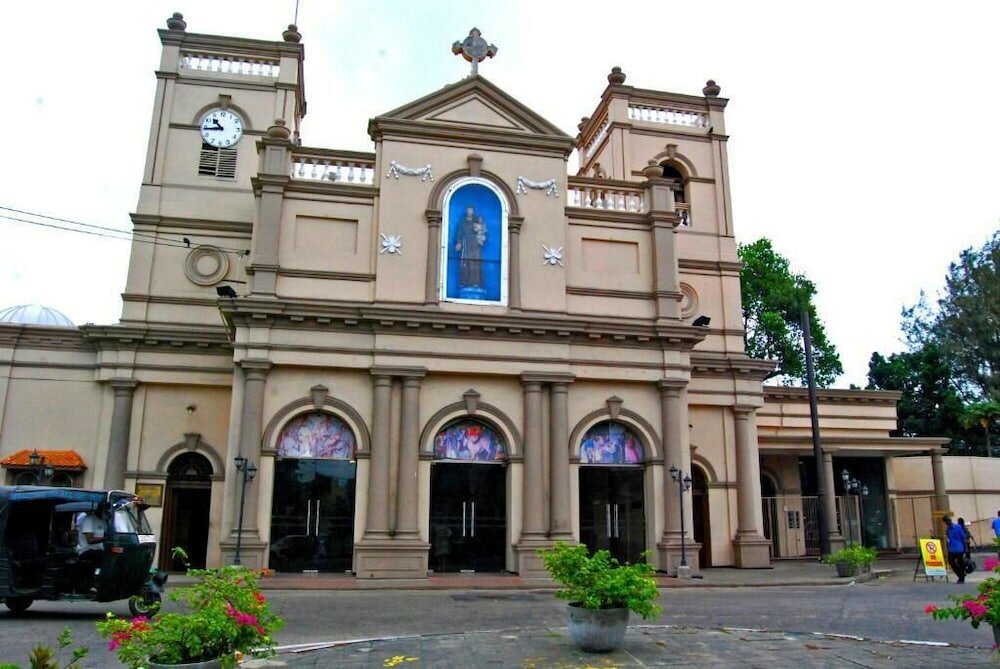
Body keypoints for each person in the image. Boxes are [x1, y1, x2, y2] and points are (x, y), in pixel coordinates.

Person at [943, 516, 967, 584]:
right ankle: (960, 575)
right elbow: (948, 539)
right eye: (947, 521)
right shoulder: (948, 530)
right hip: (951, 549)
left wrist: (965, 548)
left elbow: (963, 537)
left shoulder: (958, 527)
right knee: (951, 562)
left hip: (959, 548)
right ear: (945, 522)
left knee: (961, 563)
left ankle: (961, 578)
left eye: (949, 521)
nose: (948, 522)